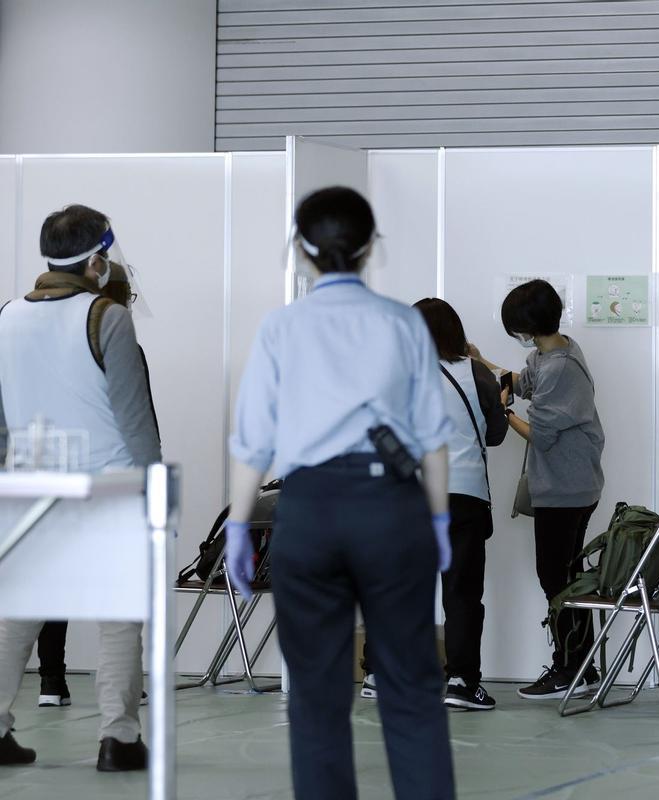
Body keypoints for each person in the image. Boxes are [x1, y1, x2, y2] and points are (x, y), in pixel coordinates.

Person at [227, 186, 455, 799]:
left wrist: (238, 528)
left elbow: (252, 443)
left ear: (300, 251)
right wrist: (437, 523)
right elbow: (434, 440)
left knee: (318, 697)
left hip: (310, 512)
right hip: (392, 510)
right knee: (410, 689)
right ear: (371, 248)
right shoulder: (404, 323)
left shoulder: (280, 327)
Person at [0, 205, 160, 770]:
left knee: (17, 612)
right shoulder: (106, 316)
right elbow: (134, 418)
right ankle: (118, 738)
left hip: (31, 487)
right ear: (97, 259)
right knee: (117, 615)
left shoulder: (6, 315)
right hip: (106, 485)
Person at [360, 298, 508, 711]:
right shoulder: (477, 375)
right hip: (463, 497)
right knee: (460, 593)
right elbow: (495, 435)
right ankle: (461, 682)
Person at [472, 279, 605, 699]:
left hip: (566, 487)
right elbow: (521, 379)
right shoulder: (555, 351)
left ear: (525, 327)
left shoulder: (560, 368)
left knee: (557, 578)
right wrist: (481, 363)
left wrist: (503, 412)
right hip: (573, 482)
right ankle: (582, 666)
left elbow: (541, 434)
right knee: (567, 575)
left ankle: (573, 669)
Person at [34, 263, 156, 712]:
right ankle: (118, 724)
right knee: (119, 596)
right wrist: (153, 485)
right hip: (108, 477)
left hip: (41, 474)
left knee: (42, 588)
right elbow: (139, 420)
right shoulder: (114, 329)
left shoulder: (20, 326)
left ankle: (50, 682)